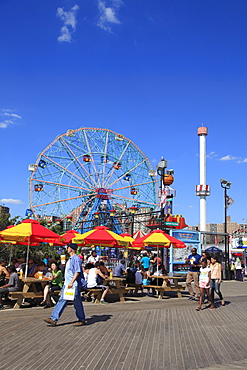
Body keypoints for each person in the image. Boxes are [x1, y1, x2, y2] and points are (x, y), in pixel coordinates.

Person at [43, 243, 87, 326]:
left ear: (71, 249)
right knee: (63, 300)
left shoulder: (76, 259)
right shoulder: (71, 259)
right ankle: (54, 318)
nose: (67, 249)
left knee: (76, 302)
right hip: (68, 284)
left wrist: (71, 282)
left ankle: (81, 319)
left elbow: (77, 272)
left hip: (73, 285)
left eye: (68, 248)